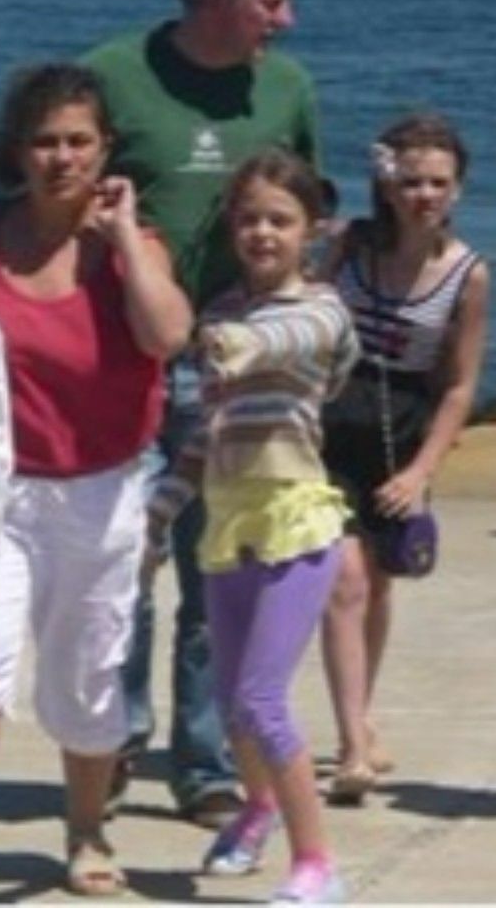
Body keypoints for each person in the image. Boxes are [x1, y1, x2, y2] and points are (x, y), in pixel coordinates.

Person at [0, 64, 192, 903]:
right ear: (17, 149)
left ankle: (88, 830)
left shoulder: (134, 245)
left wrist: (126, 234)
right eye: (45, 140)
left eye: (79, 142)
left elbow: (168, 334)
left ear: (106, 152)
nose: (61, 157)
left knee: (90, 670)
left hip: (102, 491)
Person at [84, 0, 320, 827]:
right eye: (273, 1)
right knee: (125, 563)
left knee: (219, 571)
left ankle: (207, 764)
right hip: (129, 362)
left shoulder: (289, 86)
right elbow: (53, 189)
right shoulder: (113, 75)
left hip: (240, 367)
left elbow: (309, 216)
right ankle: (113, 742)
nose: (285, 19)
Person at [145, 149, 358, 904]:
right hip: (227, 521)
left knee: (265, 701)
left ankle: (317, 863)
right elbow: (204, 434)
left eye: (280, 219)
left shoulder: (321, 306)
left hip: (295, 518)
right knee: (234, 701)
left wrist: (242, 344)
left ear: (312, 229)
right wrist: (158, 514)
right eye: (249, 218)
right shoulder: (221, 313)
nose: (263, 232)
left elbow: (296, 340)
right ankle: (259, 807)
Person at [315, 113, 491, 804]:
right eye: (411, 180)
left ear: (458, 189)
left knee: (382, 584)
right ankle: (352, 745)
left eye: (438, 183)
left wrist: (422, 472)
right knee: (345, 581)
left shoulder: (468, 274)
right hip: (334, 421)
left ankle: (361, 711)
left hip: (404, 431)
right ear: (387, 184)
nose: (424, 194)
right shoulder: (352, 246)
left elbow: (459, 384)